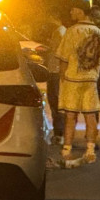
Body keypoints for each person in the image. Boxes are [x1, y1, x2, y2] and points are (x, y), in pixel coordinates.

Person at [55, 0, 100, 164]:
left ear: (80, 11)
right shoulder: (98, 32)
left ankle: (67, 149)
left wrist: (62, 78)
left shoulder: (72, 31)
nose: (71, 12)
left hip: (73, 79)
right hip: (91, 79)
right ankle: (90, 149)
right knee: (91, 115)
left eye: (73, 9)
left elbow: (63, 58)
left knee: (71, 116)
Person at [43, 12, 68, 144]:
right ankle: (59, 133)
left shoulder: (61, 32)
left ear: (55, 17)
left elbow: (62, 52)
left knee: (57, 103)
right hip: (53, 71)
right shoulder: (58, 32)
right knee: (53, 102)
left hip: (57, 72)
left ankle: (61, 133)